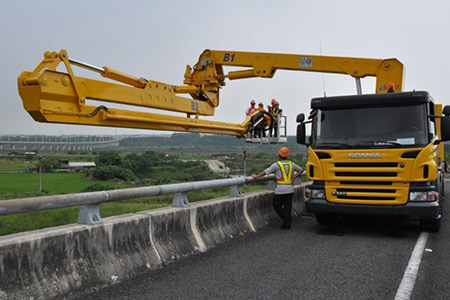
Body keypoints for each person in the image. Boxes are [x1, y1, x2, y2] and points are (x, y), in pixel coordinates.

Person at [251, 147, 305, 229]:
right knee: (288, 207)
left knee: (276, 204)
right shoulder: (291, 164)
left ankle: (287, 219)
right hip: (290, 189)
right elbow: (301, 170)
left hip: (281, 189)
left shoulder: (276, 165)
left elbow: (266, 172)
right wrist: (293, 178)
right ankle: (287, 224)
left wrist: (256, 177)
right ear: (287, 156)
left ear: (279, 155)